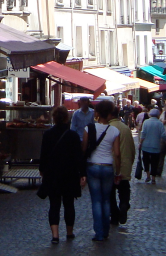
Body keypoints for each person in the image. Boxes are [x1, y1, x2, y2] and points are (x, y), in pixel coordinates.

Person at [38, 106, 85, 243]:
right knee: (69, 204)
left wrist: (42, 170)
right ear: (66, 118)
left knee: (54, 205)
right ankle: (69, 232)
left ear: (53, 118)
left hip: (53, 174)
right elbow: (78, 157)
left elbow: (43, 155)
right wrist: (82, 173)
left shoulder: (47, 135)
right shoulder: (73, 136)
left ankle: (55, 235)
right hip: (69, 174)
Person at [81, 100, 121, 241]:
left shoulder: (89, 128)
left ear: (97, 113)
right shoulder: (115, 131)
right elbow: (116, 153)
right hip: (108, 167)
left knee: (96, 201)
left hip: (92, 166)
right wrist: (118, 172)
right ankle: (106, 231)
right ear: (110, 114)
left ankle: (98, 233)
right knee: (106, 201)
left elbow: (84, 149)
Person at [107, 105, 135, 233]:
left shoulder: (108, 128)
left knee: (110, 193)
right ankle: (124, 204)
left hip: (110, 165)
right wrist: (130, 161)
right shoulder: (125, 128)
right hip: (124, 165)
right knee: (124, 188)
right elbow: (132, 148)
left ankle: (114, 215)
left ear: (110, 115)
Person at [138, 108, 165, 184]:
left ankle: (148, 175)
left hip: (146, 146)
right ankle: (153, 178)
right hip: (156, 146)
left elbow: (143, 134)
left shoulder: (146, 122)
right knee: (155, 162)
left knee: (146, 161)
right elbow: (163, 134)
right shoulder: (160, 123)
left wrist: (140, 143)